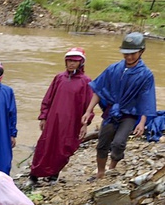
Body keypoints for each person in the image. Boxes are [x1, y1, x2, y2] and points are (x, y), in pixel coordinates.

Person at [81, 32, 157, 180]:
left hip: (129, 114)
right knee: (102, 144)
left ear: (141, 51)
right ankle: (100, 172)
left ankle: (112, 168)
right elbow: (99, 90)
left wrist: (141, 123)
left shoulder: (146, 75)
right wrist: (88, 111)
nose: (129, 57)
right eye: (126, 53)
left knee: (119, 143)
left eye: (133, 54)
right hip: (111, 111)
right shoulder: (113, 69)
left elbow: (146, 100)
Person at [27, 47, 95, 186]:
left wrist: (85, 124)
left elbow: (89, 106)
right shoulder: (59, 78)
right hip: (53, 120)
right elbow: (48, 98)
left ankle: (53, 175)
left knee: (64, 148)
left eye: (74, 61)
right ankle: (34, 176)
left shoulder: (86, 81)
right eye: (69, 61)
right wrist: (44, 116)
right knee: (44, 146)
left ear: (81, 63)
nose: (71, 64)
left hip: (72, 123)